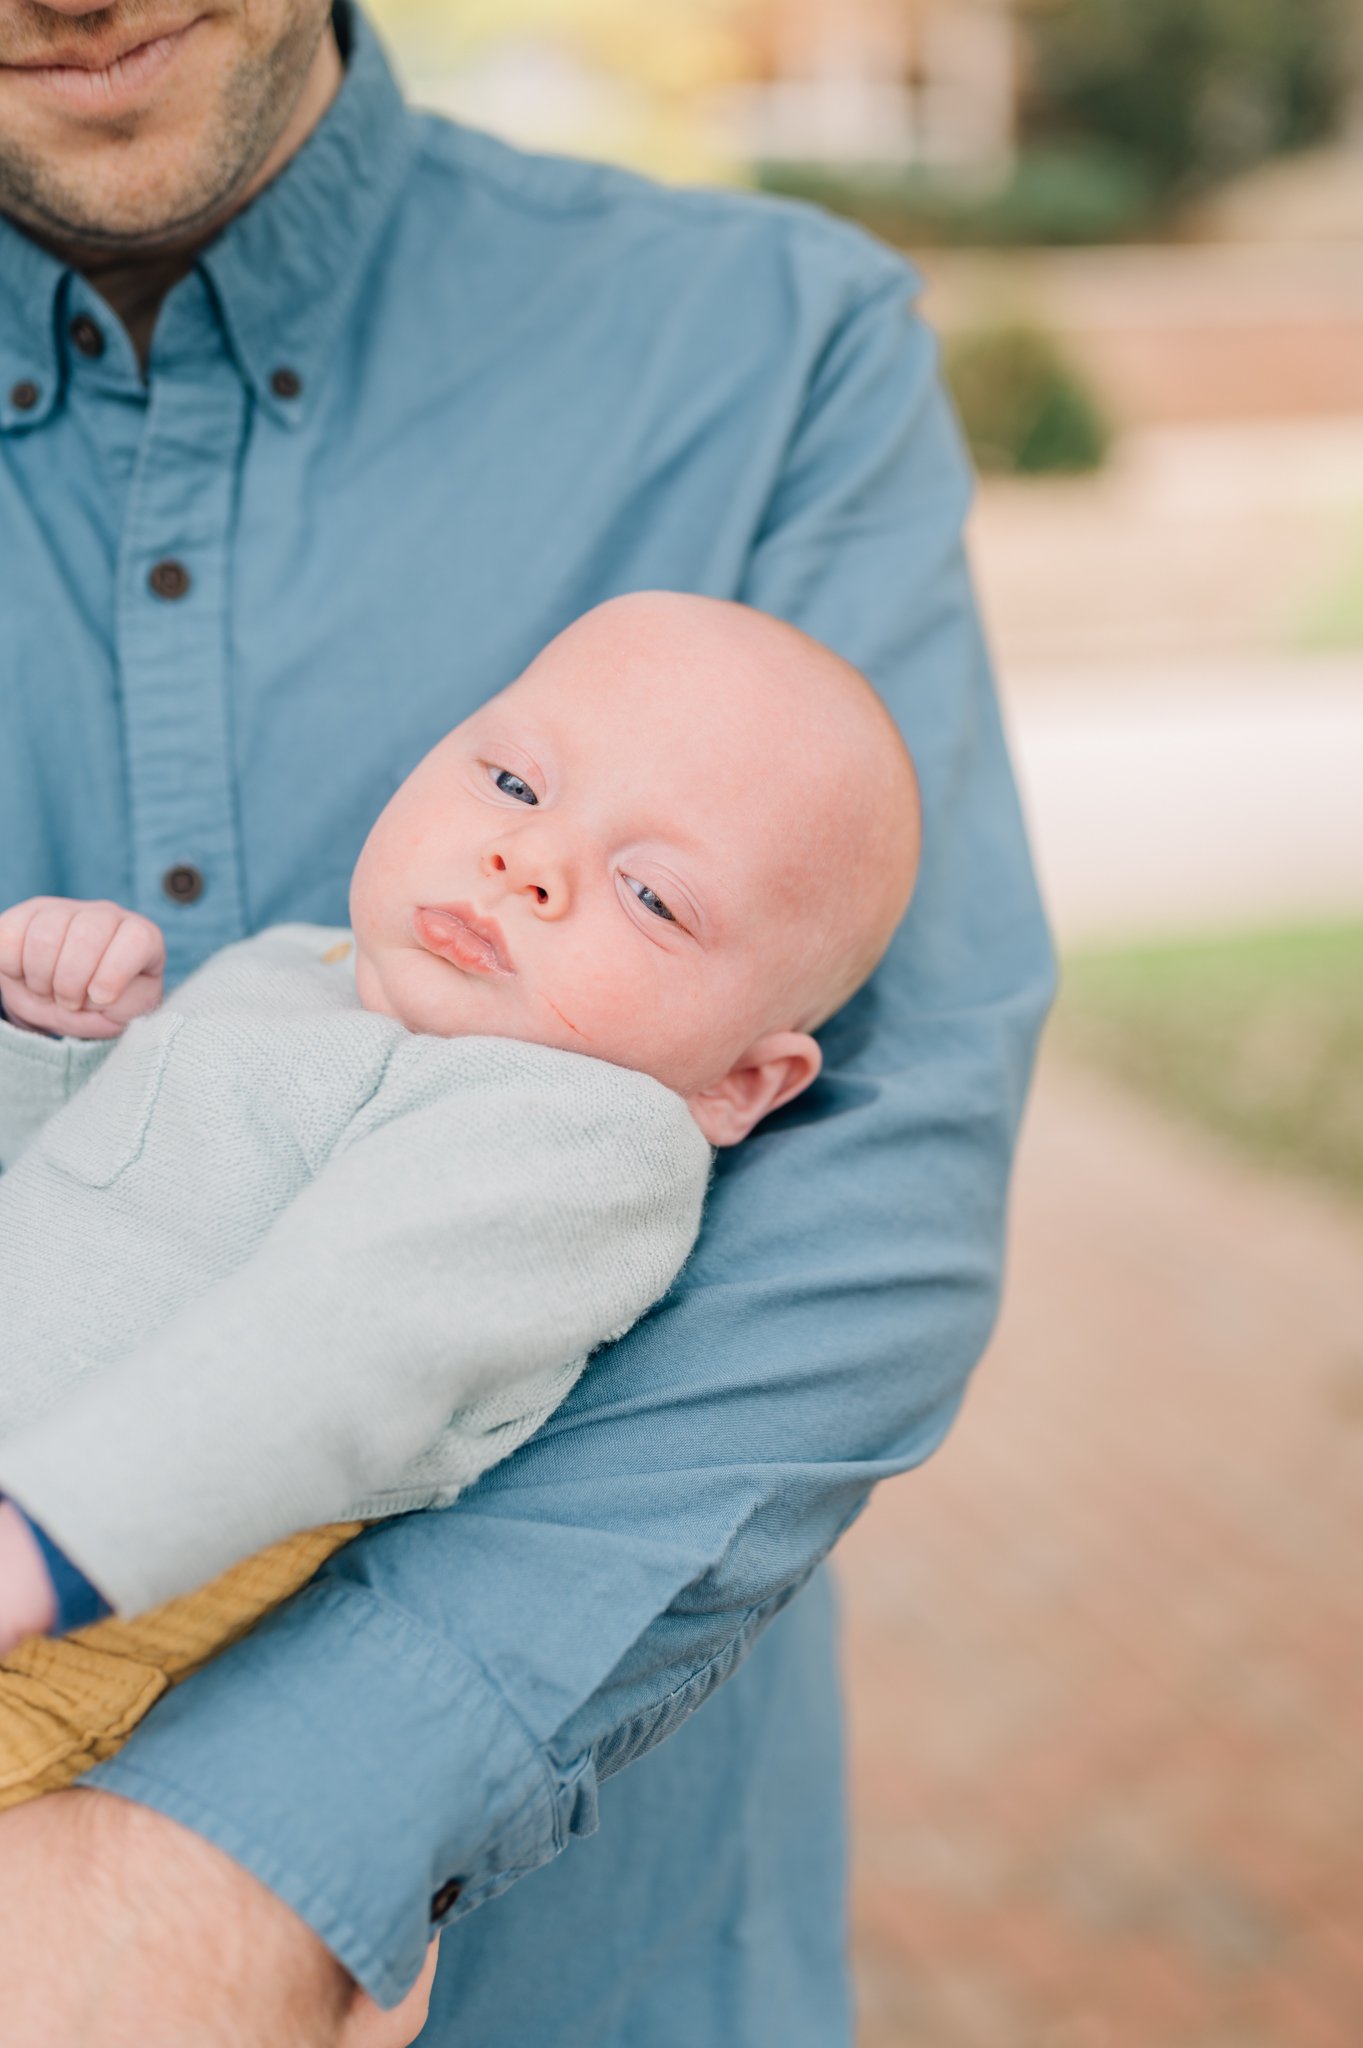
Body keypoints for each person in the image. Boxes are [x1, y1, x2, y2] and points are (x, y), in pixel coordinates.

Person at [0, 0, 1054, 2041]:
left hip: (587, 1970)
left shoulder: (770, 345)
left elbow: (875, 1193)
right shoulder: (278, 990)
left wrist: (242, 1854)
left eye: (648, 892)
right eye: (502, 786)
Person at [0, 593, 917, 1682]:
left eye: (652, 896)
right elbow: (69, 1206)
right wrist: (54, 1044)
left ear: (740, 1080)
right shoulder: (298, 969)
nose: (526, 856)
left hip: (68, 1600)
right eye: (515, 784)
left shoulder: (576, 1138)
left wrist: (37, 1543)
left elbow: (332, 1352)